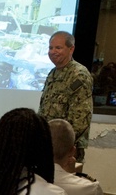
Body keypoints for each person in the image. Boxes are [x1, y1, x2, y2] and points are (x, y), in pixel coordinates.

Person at [38, 31, 93, 160]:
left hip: (66, 150)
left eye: (58, 47)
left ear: (71, 49)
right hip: (47, 146)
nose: (53, 51)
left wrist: (61, 145)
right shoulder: (53, 73)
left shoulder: (79, 75)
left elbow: (80, 120)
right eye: (51, 48)